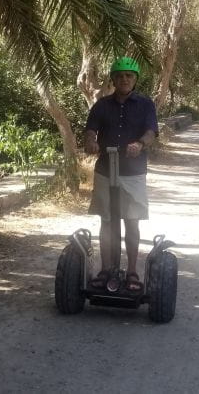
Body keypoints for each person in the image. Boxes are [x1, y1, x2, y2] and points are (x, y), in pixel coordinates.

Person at [84, 57, 159, 292]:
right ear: (113, 79)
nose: (125, 79)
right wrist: (90, 142)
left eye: (129, 75)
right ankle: (106, 269)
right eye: (120, 76)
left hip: (133, 172)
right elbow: (90, 130)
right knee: (106, 220)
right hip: (106, 170)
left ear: (135, 79)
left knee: (131, 221)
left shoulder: (145, 104)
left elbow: (151, 131)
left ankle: (133, 271)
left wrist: (140, 144)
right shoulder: (101, 105)